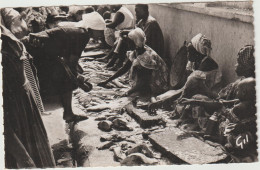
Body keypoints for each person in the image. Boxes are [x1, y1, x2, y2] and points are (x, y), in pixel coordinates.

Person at [22, 11, 106, 123]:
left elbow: (68, 59)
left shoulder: (80, 32)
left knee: (65, 77)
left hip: (42, 51)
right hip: (35, 48)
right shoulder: (83, 35)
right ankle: (68, 114)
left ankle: (67, 113)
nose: (102, 34)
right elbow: (72, 62)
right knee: (67, 81)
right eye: (100, 31)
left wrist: (77, 75)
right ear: (91, 29)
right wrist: (79, 81)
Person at [1, 8, 55, 168]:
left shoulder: (10, 41)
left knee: (33, 142)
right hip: (13, 103)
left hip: (23, 98)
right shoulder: (5, 45)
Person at [98, 28, 169, 98]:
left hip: (158, 82)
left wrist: (127, 93)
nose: (128, 44)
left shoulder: (147, 57)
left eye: (129, 42)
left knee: (139, 92)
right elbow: (125, 68)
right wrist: (107, 81)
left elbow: (144, 81)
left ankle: (146, 91)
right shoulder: (137, 50)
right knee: (137, 71)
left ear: (136, 42)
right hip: (145, 80)